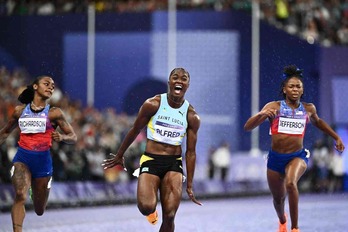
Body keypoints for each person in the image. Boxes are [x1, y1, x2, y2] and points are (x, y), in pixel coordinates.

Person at [243, 65, 345, 232]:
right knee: (278, 199)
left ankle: (295, 228)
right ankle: (283, 220)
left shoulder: (308, 108)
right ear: (284, 89)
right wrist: (262, 115)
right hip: (275, 159)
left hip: (297, 156)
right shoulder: (274, 107)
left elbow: (318, 122)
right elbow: (248, 127)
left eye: (298, 86)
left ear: (303, 90)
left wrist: (336, 137)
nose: (295, 89)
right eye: (291, 86)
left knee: (291, 183)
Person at [102, 67, 202, 232]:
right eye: (175, 77)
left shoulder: (191, 116)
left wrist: (189, 184)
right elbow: (135, 130)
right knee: (146, 207)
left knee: (170, 215)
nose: (179, 81)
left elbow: (190, 152)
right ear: (169, 82)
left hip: (173, 164)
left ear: (188, 85)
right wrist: (120, 154)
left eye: (184, 79)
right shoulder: (153, 104)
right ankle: (152, 213)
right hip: (151, 160)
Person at [0, 75, 77, 232]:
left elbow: (73, 137)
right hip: (22, 159)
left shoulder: (54, 113)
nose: (51, 87)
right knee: (20, 195)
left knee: (39, 210)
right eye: (46, 84)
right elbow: (5, 132)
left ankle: (38, 186)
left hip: (43, 163)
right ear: (35, 87)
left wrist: (62, 137)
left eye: (53, 86)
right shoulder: (19, 111)